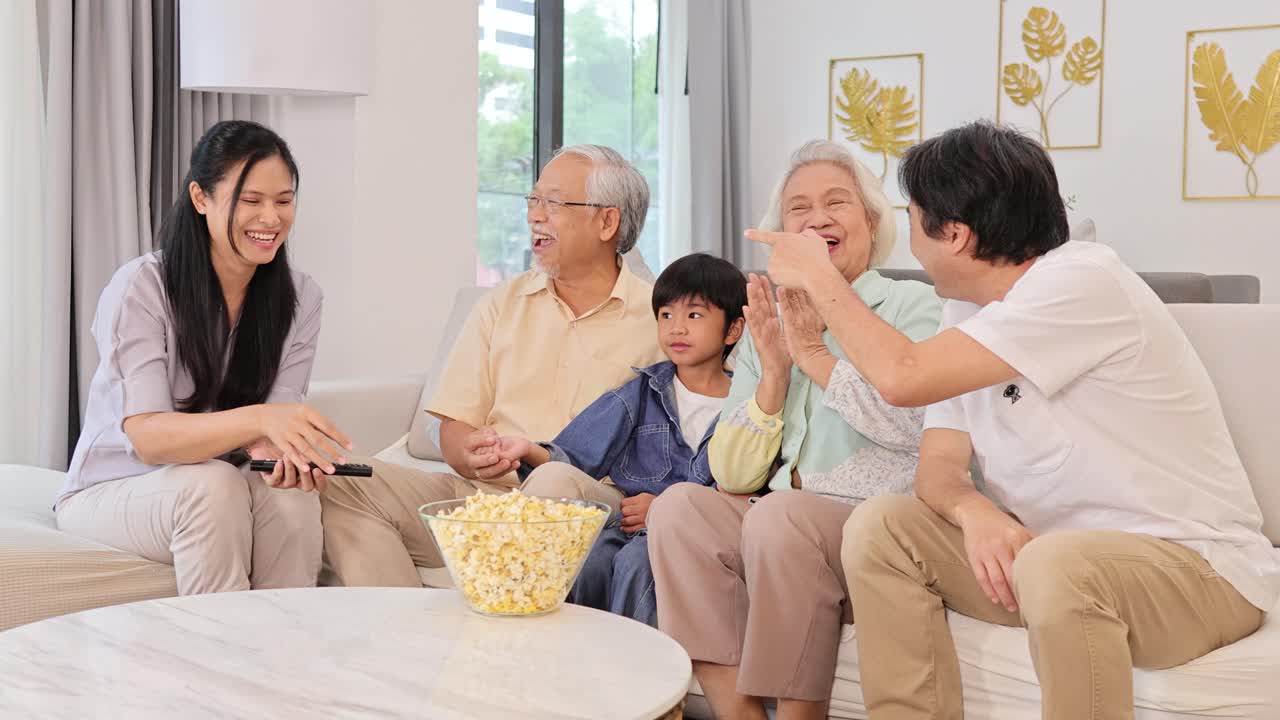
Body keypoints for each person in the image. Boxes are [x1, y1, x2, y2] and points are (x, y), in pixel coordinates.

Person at [752, 121, 1279, 720]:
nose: (912, 246)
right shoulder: (963, 310)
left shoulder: (1082, 282)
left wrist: (819, 279)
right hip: (1052, 564)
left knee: (1056, 564)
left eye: (917, 218)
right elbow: (938, 468)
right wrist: (973, 511)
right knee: (882, 527)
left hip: (1197, 571)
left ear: (953, 233)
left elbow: (902, 377)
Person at [647, 141, 942, 720]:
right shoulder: (770, 323)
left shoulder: (914, 306)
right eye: (799, 208)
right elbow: (731, 472)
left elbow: (915, 428)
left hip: (875, 523)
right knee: (679, 508)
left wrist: (813, 354)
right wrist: (774, 374)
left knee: (780, 517)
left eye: (837, 202)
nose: (817, 219)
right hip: (779, 517)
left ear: (871, 223)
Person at [320, 145, 666, 587]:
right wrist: (467, 452)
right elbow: (454, 424)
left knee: (553, 478)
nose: (534, 216)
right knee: (347, 481)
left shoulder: (658, 318)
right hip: (485, 497)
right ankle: (399, 635)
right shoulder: (501, 303)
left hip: (588, 501)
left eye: (554, 202)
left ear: (607, 221)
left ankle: (504, 641)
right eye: (533, 200)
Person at [57, 120, 351, 595]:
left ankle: (288, 658)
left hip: (223, 479)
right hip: (114, 488)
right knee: (212, 486)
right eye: (250, 201)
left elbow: (267, 438)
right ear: (200, 199)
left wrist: (288, 453)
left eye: (284, 200)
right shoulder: (142, 287)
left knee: (291, 501)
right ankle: (218, 660)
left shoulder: (301, 297)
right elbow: (150, 438)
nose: (271, 219)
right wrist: (263, 419)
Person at [499, 252, 747, 627]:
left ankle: (635, 671)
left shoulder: (749, 405)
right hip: (625, 519)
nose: (676, 328)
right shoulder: (642, 392)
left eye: (694, 315)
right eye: (666, 315)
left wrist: (664, 512)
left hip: (691, 530)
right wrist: (527, 450)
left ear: (733, 329)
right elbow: (575, 457)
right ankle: (540, 636)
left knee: (633, 561)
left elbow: (748, 494)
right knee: (590, 548)